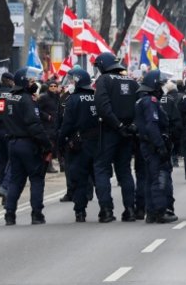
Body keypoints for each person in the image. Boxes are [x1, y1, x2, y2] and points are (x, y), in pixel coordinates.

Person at [2, 67, 52, 226]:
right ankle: (37, 214)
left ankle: (10, 214)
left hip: (12, 143)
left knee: (16, 180)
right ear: (23, 81)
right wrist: (47, 144)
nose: (33, 83)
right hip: (28, 144)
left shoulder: (9, 98)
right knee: (36, 179)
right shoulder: (26, 99)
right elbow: (34, 125)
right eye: (30, 80)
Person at [93, 52, 139, 223]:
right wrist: (129, 126)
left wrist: (117, 125)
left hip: (110, 131)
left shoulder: (104, 81)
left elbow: (103, 107)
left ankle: (106, 210)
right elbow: (139, 106)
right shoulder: (132, 82)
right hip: (127, 132)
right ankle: (130, 210)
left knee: (102, 169)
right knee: (125, 170)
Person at [57, 69, 100, 222]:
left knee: (80, 179)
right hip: (97, 144)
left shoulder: (72, 100)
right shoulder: (96, 97)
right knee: (99, 178)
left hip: (79, 145)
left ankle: (80, 212)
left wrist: (60, 143)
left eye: (72, 81)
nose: (70, 84)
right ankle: (106, 211)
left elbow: (66, 124)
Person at [135, 70, 178, 224]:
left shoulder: (142, 100)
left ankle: (151, 212)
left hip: (147, 145)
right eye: (160, 85)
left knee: (150, 178)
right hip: (153, 145)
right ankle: (160, 212)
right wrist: (160, 145)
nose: (162, 88)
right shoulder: (150, 101)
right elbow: (152, 125)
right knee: (159, 178)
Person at [37, 80, 61, 173]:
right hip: (46, 126)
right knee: (49, 146)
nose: (53, 87)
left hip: (55, 125)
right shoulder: (44, 97)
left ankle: (47, 165)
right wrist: (47, 116)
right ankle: (48, 166)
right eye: (51, 86)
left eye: (55, 86)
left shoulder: (57, 97)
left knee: (53, 146)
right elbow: (38, 110)